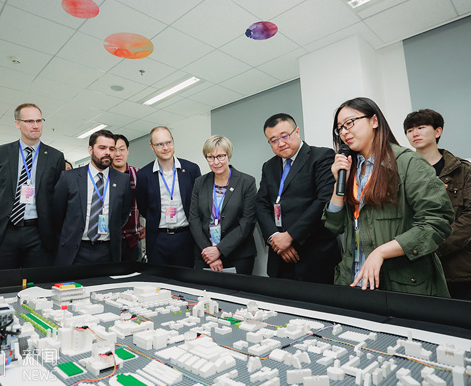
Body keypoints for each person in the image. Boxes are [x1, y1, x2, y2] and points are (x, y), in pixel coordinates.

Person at [324, 97, 453, 295]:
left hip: (402, 283)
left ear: (374, 121)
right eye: (339, 128)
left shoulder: (408, 163)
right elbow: (334, 226)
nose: (344, 132)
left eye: (350, 123)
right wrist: (338, 184)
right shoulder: (349, 169)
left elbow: (437, 222)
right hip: (354, 277)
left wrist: (382, 252)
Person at [404, 109, 471, 300]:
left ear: (438, 131)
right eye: (409, 130)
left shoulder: (463, 170)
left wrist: (433, 244)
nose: (415, 133)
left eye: (421, 127)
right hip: (415, 266)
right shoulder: (401, 171)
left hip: (459, 266)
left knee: (462, 317)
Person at [256, 113, 341, 283]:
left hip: (315, 255)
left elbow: (323, 201)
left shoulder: (321, 156)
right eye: (273, 140)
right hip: (280, 257)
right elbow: (261, 204)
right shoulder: (269, 166)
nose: (280, 143)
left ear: (297, 131)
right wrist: (275, 238)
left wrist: (290, 236)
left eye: (284, 136)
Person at [0, 103, 65, 269]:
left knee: (36, 281)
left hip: (39, 233)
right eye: (29, 121)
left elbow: (57, 197)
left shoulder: (55, 156)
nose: (35, 125)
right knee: (3, 280)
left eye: (39, 120)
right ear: (17, 123)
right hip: (5, 231)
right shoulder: (0, 152)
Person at [53, 130, 132, 265]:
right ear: (90, 150)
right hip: (75, 250)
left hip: (107, 251)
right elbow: (57, 213)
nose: (108, 152)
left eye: (111, 149)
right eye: (102, 148)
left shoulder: (122, 180)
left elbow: (123, 215)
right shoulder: (69, 177)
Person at [189, 136, 257, 274]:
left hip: (238, 255)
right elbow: (194, 219)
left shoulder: (246, 182)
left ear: (229, 155)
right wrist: (210, 254)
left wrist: (219, 250)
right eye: (211, 157)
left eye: (220, 156)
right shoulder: (199, 183)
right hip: (205, 254)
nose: (216, 162)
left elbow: (248, 221)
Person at [136, 126, 201, 267]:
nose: (165, 148)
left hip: (185, 237)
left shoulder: (191, 169)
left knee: (185, 278)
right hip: (157, 239)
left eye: (168, 142)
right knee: (159, 279)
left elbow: (198, 203)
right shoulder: (143, 175)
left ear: (173, 142)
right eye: (159, 144)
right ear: (152, 147)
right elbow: (143, 207)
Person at [112, 134, 145, 262]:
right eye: (114, 150)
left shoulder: (139, 174)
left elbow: (150, 203)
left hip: (133, 239)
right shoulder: (104, 177)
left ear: (127, 151)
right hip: (110, 239)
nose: (118, 154)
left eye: (122, 149)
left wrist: (149, 226)